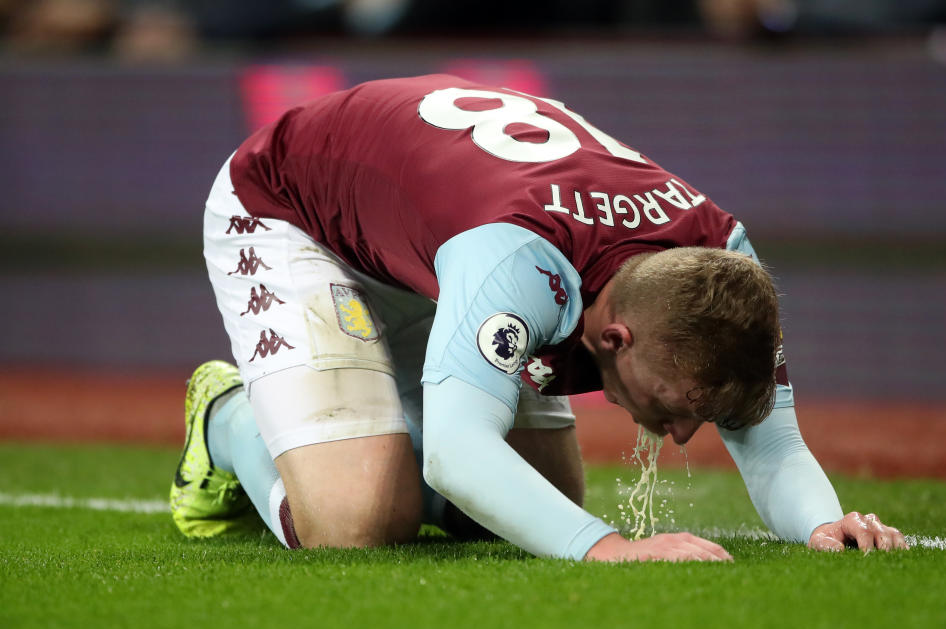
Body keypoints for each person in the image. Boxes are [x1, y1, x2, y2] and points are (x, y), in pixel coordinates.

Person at [170, 74, 906, 561]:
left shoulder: (727, 266)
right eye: (684, 408)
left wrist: (822, 524)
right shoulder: (520, 268)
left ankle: (371, 432)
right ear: (612, 336)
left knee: (518, 503)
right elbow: (458, 455)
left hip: (435, 232)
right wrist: (609, 549)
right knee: (358, 524)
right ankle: (226, 416)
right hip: (289, 205)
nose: (685, 434)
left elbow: (773, 445)